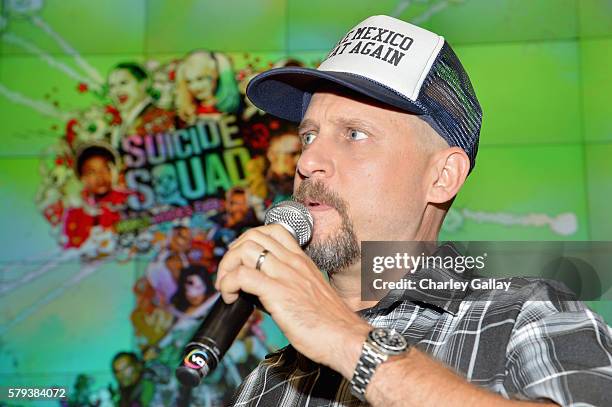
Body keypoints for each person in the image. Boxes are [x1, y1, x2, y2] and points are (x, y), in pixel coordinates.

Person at [213, 15, 612, 406]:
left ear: (442, 176)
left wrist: (346, 339)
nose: (307, 161)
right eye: (309, 135)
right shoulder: (266, 383)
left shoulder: (524, 316)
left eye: (354, 134)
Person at [62, 142, 129, 248]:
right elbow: (70, 247)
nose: (100, 177)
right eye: (91, 172)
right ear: (82, 177)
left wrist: (116, 228)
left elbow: (151, 220)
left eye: (105, 169)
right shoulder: (75, 212)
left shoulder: (130, 198)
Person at [175, 50, 241, 124]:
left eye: (200, 79)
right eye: (189, 82)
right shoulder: (192, 111)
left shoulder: (226, 104)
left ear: (215, 74)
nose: (194, 87)